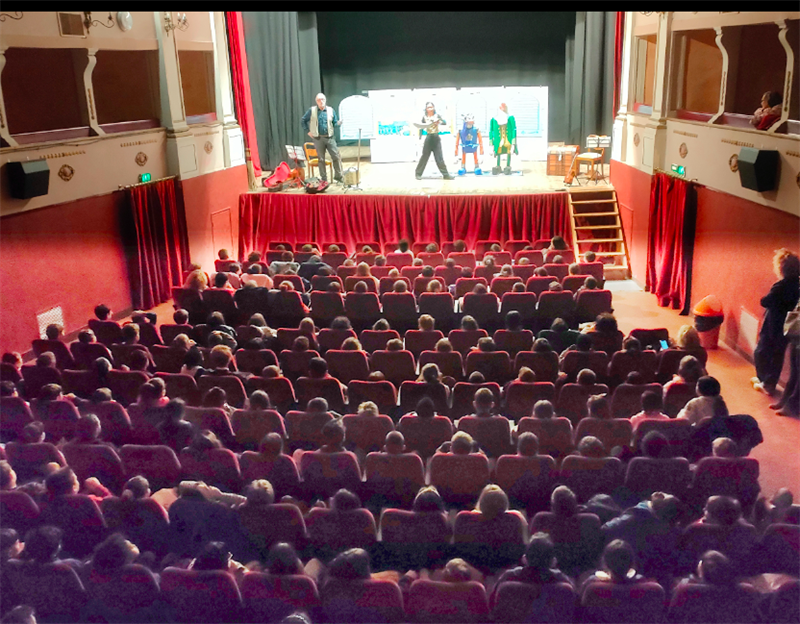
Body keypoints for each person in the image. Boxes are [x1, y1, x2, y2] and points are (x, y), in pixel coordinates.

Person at [752, 248, 800, 395]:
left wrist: (762, 299)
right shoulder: (797, 285)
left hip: (773, 324)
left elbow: (766, 301)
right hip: (787, 326)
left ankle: (765, 382)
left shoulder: (781, 285)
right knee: (777, 354)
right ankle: (770, 382)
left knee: (761, 352)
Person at [301, 92, 344, 184]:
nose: (321, 101)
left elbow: (334, 123)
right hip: (318, 139)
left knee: (336, 157)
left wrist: (338, 123)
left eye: (322, 99)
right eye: (319, 100)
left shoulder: (331, 110)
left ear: (325, 100)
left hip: (330, 138)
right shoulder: (311, 111)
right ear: (316, 101)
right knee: (321, 159)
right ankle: (324, 179)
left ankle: (338, 177)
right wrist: (308, 132)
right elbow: (303, 120)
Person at [414, 102, 453, 180]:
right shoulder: (424, 117)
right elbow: (421, 127)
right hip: (429, 138)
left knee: (439, 158)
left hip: (436, 138)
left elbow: (444, 122)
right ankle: (418, 174)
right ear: (426, 109)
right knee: (424, 157)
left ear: (434, 108)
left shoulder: (437, 116)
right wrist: (420, 138)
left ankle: (446, 175)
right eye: (428, 107)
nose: (430, 109)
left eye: (431, 107)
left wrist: (439, 121)